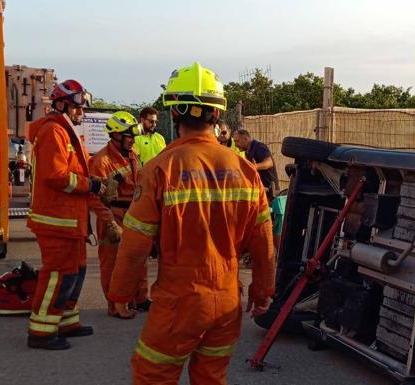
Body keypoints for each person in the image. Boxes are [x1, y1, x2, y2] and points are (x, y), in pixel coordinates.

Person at [108, 62, 276, 384]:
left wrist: (120, 292)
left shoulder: (160, 169)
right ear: (217, 115)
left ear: (173, 113)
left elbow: (136, 244)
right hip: (227, 301)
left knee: (152, 375)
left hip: (179, 301)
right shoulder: (246, 170)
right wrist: (264, 288)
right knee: (211, 377)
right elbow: (264, 241)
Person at [26, 79, 106, 350]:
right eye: (77, 108)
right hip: (56, 219)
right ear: (61, 104)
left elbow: (76, 172)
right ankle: (42, 332)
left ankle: (66, 322)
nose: (80, 114)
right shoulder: (53, 132)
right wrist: (90, 185)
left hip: (71, 219)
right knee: (58, 274)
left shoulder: (66, 132)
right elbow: (56, 176)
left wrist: (93, 182)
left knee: (76, 271)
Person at [89, 111, 151, 319]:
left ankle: (140, 299)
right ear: (116, 135)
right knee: (113, 262)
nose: (132, 140)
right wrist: (109, 224)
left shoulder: (132, 155)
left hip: (132, 213)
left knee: (138, 258)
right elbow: (94, 198)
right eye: (129, 135)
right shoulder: (102, 160)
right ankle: (115, 304)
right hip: (112, 215)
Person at [233, 129, 279, 202]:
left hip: (271, 191)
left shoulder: (259, 147)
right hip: (261, 190)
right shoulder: (247, 152)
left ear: (245, 139)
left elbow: (269, 163)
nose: (235, 144)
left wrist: (255, 166)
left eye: (237, 141)